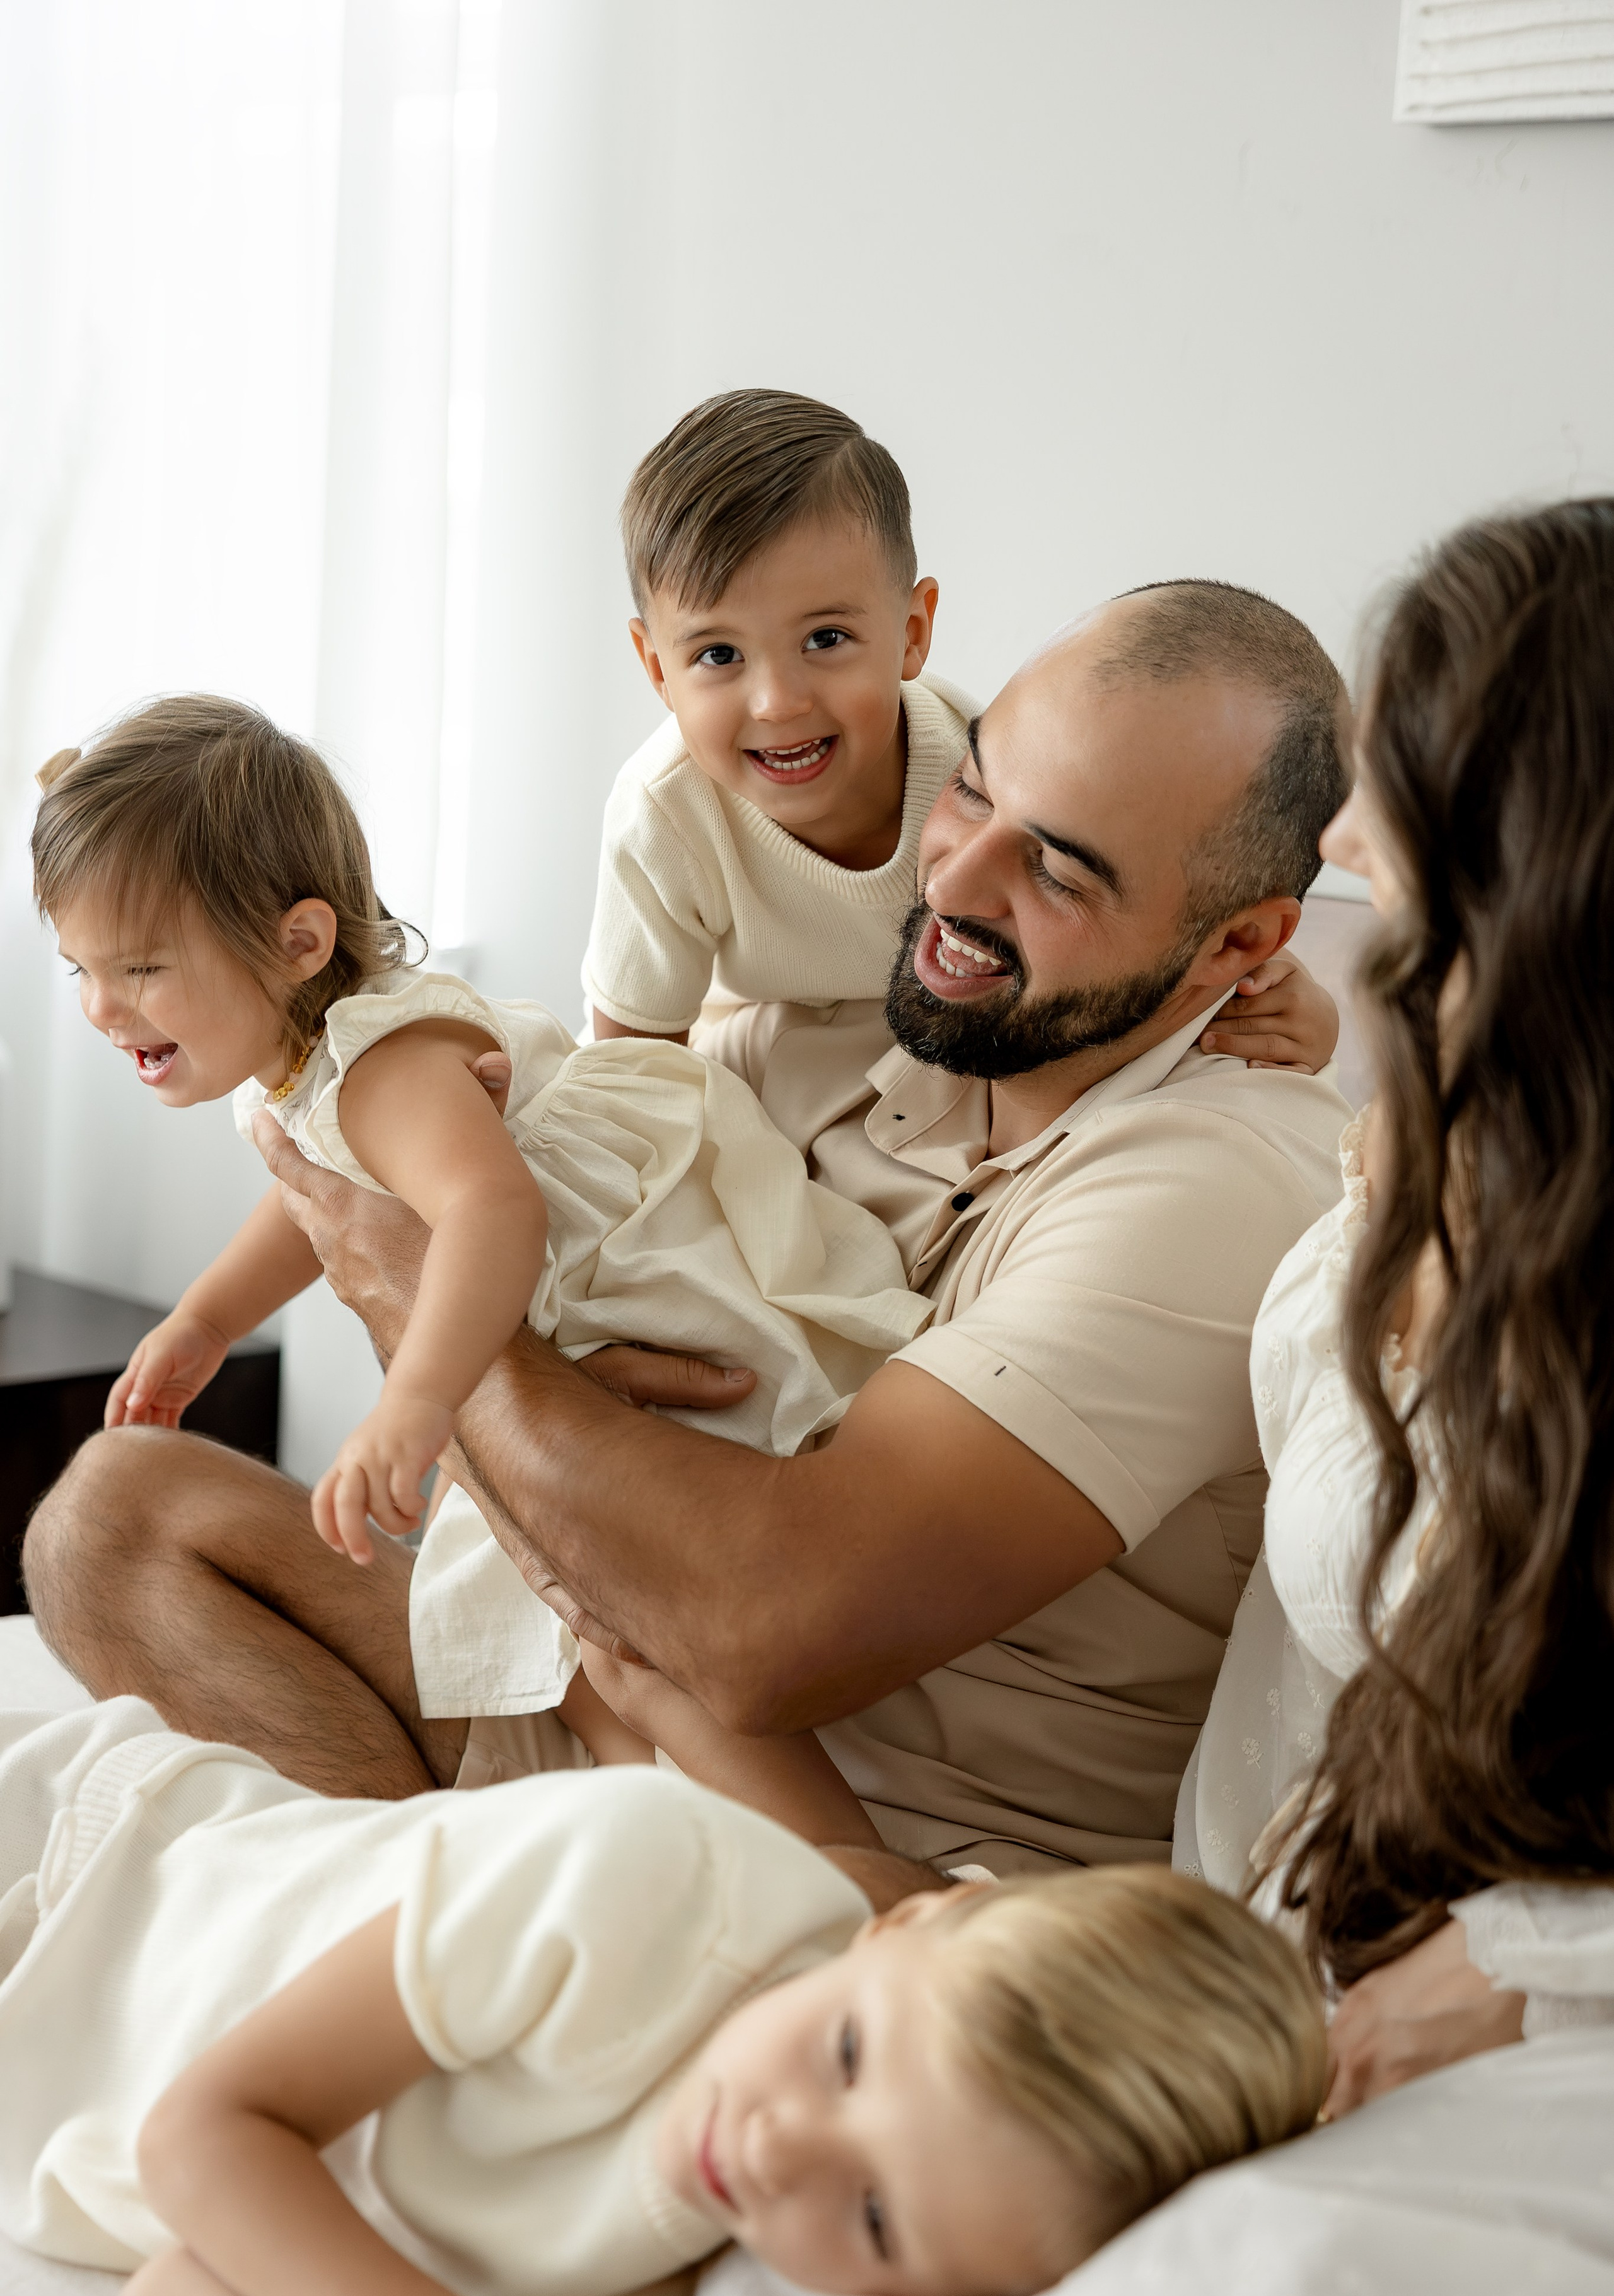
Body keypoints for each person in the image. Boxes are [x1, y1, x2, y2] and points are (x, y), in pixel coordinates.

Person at [28, 578, 1355, 1885]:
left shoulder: (1211, 1181)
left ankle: (455, 1930)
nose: (955, 875)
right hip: (608, 1689)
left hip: (892, 1860)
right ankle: (427, 1920)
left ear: (1238, 944)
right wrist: (556, 1409)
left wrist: (437, 1326)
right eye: (968, 789)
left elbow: (761, 1631)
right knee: (108, 1518)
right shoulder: (829, 1031)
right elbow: (533, 1229)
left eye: (1055, 869)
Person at [31, 696, 936, 1833]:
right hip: (573, 1341)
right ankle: (655, 1815)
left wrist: (416, 1402)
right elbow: (314, 1198)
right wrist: (206, 1320)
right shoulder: (308, 1059)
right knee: (582, 1646)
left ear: (300, 943)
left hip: (662, 1320)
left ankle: (829, 1858)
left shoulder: (382, 1065)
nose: (102, 1008)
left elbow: (492, 1212)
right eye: (79, 969)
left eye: (141, 968)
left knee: (626, 1642)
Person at [0, 1700, 1324, 2296]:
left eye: (877, 2218)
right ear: (906, 1920)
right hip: (72, 1876)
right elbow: (204, 2139)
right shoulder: (653, 1879)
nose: (779, 2151)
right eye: (849, 2055)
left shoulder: (691, 2265)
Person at [1181, 499, 1614, 2112]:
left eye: (1398, 781)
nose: (1338, 840)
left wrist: (1515, 1961)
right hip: (1275, 1984)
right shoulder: (1420, 1153)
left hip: (1506, 2060)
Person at [584, 387, 1331, 1078]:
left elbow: (1159, 923)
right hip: (754, 1042)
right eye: (719, 655)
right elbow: (631, 1063)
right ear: (658, 670)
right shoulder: (665, 815)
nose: (777, 702)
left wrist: (1291, 1003)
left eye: (825, 639)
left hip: (937, 1041)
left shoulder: (976, 774)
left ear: (912, 633)